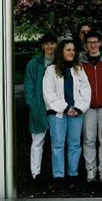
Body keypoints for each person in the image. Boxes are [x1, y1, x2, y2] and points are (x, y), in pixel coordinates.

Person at [42, 39, 91, 182]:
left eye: (73, 50)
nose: (72, 52)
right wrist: (65, 108)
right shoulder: (51, 70)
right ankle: (58, 175)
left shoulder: (79, 69)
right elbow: (48, 93)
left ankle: (73, 173)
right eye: (68, 50)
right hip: (58, 113)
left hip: (76, 112)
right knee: (57, 144)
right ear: (61, 52)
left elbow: (86, 90)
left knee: (75, 143)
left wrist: (77, 108)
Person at [79, 31, 102, 182]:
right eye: (90, 43)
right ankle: (90, 169)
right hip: (87, 107)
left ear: (100, 43)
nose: (93, 45)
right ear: (85, 45)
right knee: (88, 139)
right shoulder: (81, 62)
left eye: (95, 42)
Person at [24, 33, 57, 181]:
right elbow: (29, 85)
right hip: (39, 105)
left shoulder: (60, 61)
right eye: (46, 44)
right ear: (42, 46)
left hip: (56, 105)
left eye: (52, 43)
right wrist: (32, 103)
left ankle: (57, 172)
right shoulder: (34, 63)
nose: (49, 47)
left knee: (58, 141)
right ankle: (35, 173)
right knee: (37, 140)